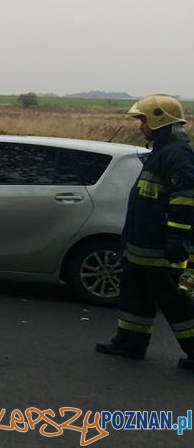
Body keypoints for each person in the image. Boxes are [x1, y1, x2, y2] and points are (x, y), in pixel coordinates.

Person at [95, 94, 194, 371]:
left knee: (173, 302)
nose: (140, 126)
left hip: (160, 250)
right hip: (142, 248)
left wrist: (176, 238)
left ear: (158, 120)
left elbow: (185, 198)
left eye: (143, 120)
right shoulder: (161, 153)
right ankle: (130, 344)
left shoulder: (176, 154)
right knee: (135, 296)